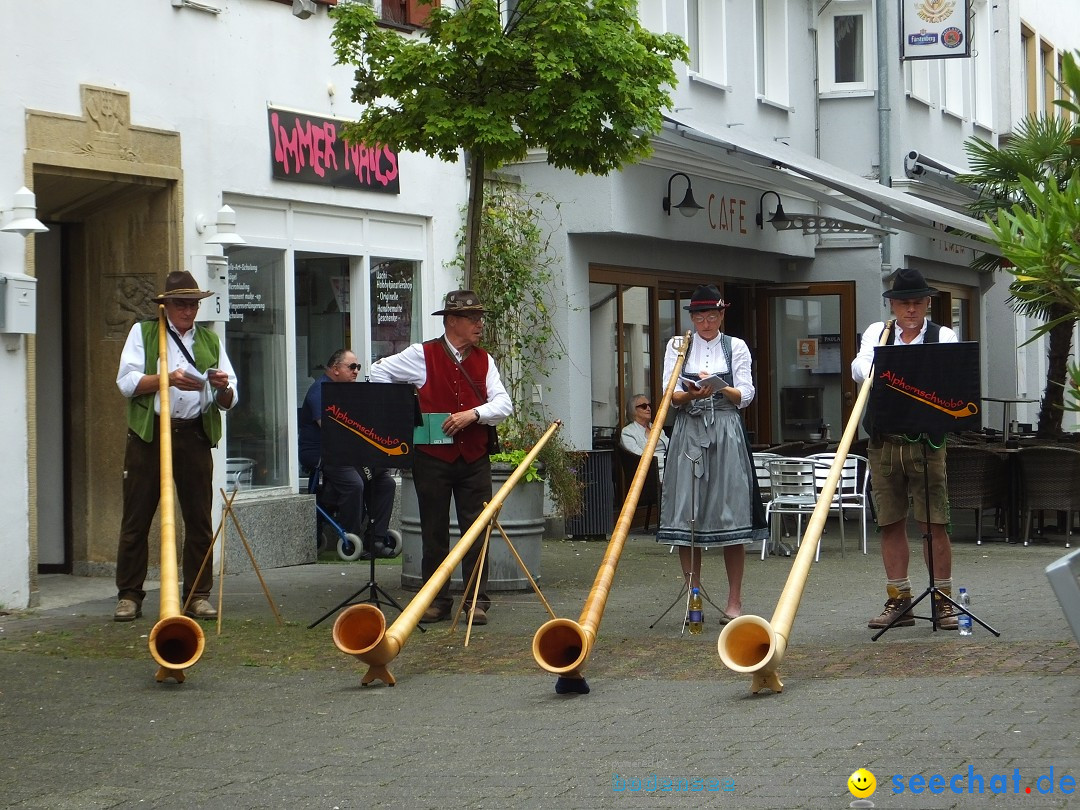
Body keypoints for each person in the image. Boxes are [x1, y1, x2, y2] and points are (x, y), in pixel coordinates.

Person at [369, 290, 512, 624]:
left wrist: (473, 415)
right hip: (432, 457)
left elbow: (504, 404)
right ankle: (436, 601)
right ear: (451, 322)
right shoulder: (422, 354)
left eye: (479, 317)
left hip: (473, 458)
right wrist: (407, 414)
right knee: (433, 532)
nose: (479, 324)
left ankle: (476, 600)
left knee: (477, 530)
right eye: (472, 318)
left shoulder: (484, 359)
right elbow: (378, 372)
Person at [113, 270, 238, 622]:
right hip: (149, 434)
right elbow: (126, 382)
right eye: (181, 303)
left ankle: (197, 595)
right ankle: (129, 595)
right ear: (166, 305)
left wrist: (223, 387)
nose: (188, 310)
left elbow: (229, 399)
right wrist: (166, 379)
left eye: (193, 304)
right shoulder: (144, 332)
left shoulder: (211, 341)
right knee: (137, 517)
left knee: (198, 518)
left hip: (193, 434)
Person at [851, 267, 959, 630]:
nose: (910, 310)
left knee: (934, 522)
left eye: (916, 303)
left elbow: (947, 377)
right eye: (903, 303)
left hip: (927, 443)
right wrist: (889, 372)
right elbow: (861, 365)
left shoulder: (943, 335)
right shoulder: (877, 333)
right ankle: (900, 601)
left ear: (927, 304)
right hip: (884, 441)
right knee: (890, 522)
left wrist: (893, 373)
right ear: (893, 305)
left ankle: (943, 600)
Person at [655, 284, 767, 623]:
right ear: (692, 317)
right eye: (700, 315)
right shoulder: (678, 345)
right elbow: (669, 394)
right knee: (688, 511)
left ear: (721, 315)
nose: (706, 322)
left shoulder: (737, 347)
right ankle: (694, 597)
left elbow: (746, 394)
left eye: (712, 315)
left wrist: (720, 387)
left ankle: (734, 601)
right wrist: (691, 395)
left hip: (726, 429)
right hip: (690, 429)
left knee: (730, 511)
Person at [298, 349, 396, 557]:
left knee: (385, 481)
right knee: (354, 483)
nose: (356, 371)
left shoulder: (348, 392)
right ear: (335, 369)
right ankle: (352, 536)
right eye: (352, 367)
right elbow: (330, 428)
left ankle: (376, 538)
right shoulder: (320, 391)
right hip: (322, 452)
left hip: (346, 451)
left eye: (358, 367)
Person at [620, 393, 668, 480]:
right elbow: (640, 458)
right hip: (650, 475)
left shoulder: (657, 428)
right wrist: (666, 460)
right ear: (633, 410)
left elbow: (671, 447)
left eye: (649, 405)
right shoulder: (628, 432)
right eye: (644, 406)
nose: (648, 408)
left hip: (668, 468)